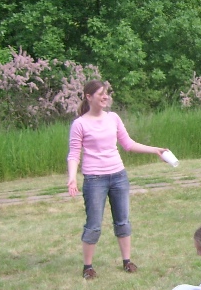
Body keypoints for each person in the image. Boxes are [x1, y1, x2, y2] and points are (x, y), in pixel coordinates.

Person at [67, 80, 168, 279]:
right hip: (94, 179)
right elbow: (74, 153)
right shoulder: (80, 124)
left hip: (118, 176)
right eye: (100, 94)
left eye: (106, 93)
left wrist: (155, 150)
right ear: (89, 97)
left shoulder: (113, 118)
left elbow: (128, 144)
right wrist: (72, 177)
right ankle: (88, 267)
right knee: (93, 224)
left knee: (122, 221)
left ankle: (127, 261)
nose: (105, 97)